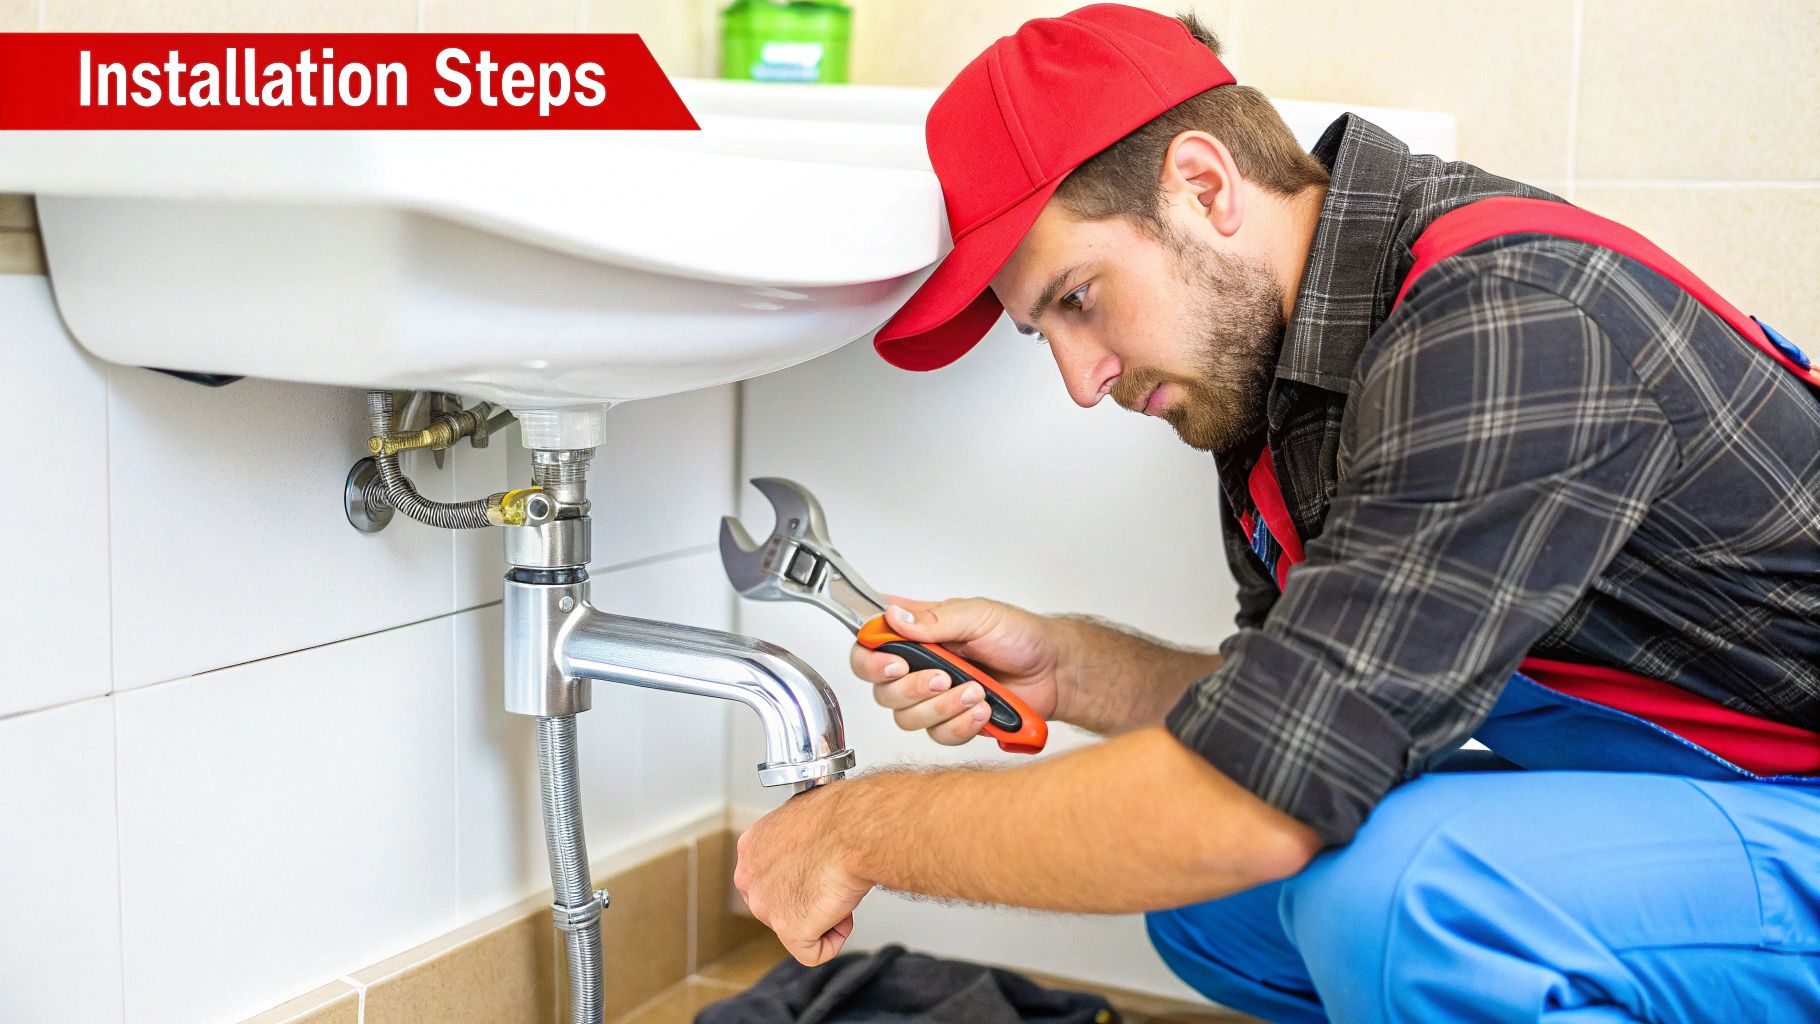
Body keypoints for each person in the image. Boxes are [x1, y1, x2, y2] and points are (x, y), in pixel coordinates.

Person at [732, 6, 1820, 1021]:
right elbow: (1297, 715)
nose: (1079, 377)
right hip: (1700, 798)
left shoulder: (1504, 320)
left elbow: (1253, 798)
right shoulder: (1274, 373)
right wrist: (1073, 668)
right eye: (1043, 333)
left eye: (1076, 298)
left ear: (1203, 187)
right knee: (1216, 910)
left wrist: (856, 829)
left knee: (1401, 895)